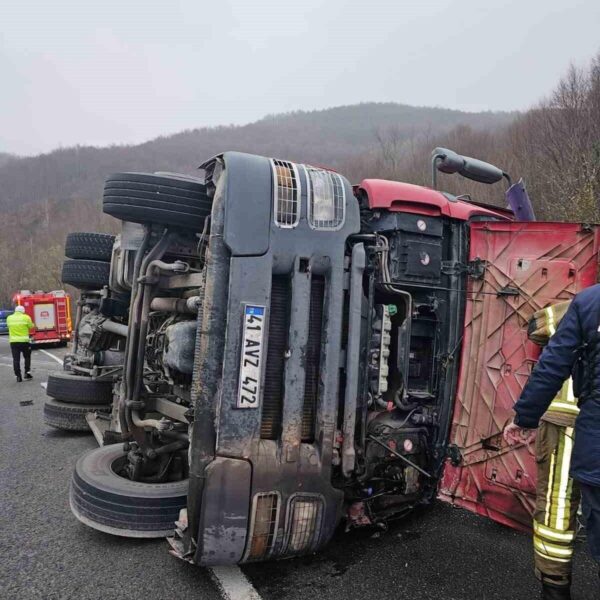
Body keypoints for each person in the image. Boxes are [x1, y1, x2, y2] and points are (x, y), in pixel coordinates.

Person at [504, 288, 600, 599]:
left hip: (579, 436)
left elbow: (551, 365)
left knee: (556, 511)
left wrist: (523, 418)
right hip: (577, 432)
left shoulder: (583, 305)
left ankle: (554, 589)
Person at [6, 305, 34, 382]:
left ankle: (18, 376)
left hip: (13, 342)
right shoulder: (26, 317)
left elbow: (8, 326)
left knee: (16, 359)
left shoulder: (9, 318)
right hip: (24, 341)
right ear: (23, 311)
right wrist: (33, 325)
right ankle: (27, 373)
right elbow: (31, 326)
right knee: (27, 357)